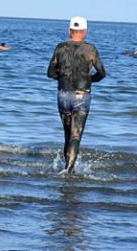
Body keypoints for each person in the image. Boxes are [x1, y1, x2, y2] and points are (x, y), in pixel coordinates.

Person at [47, 16, 105, 174]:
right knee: (75, 136)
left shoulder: (60, 48)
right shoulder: (90, 49)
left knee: (67, 136)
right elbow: (102, 73)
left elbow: (50, 73)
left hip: (63, 95)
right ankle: (68, 171)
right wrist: (89, 80)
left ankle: (66, 169)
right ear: (85, 32)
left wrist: (63, 76)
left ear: (69, 31)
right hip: (81, 95)